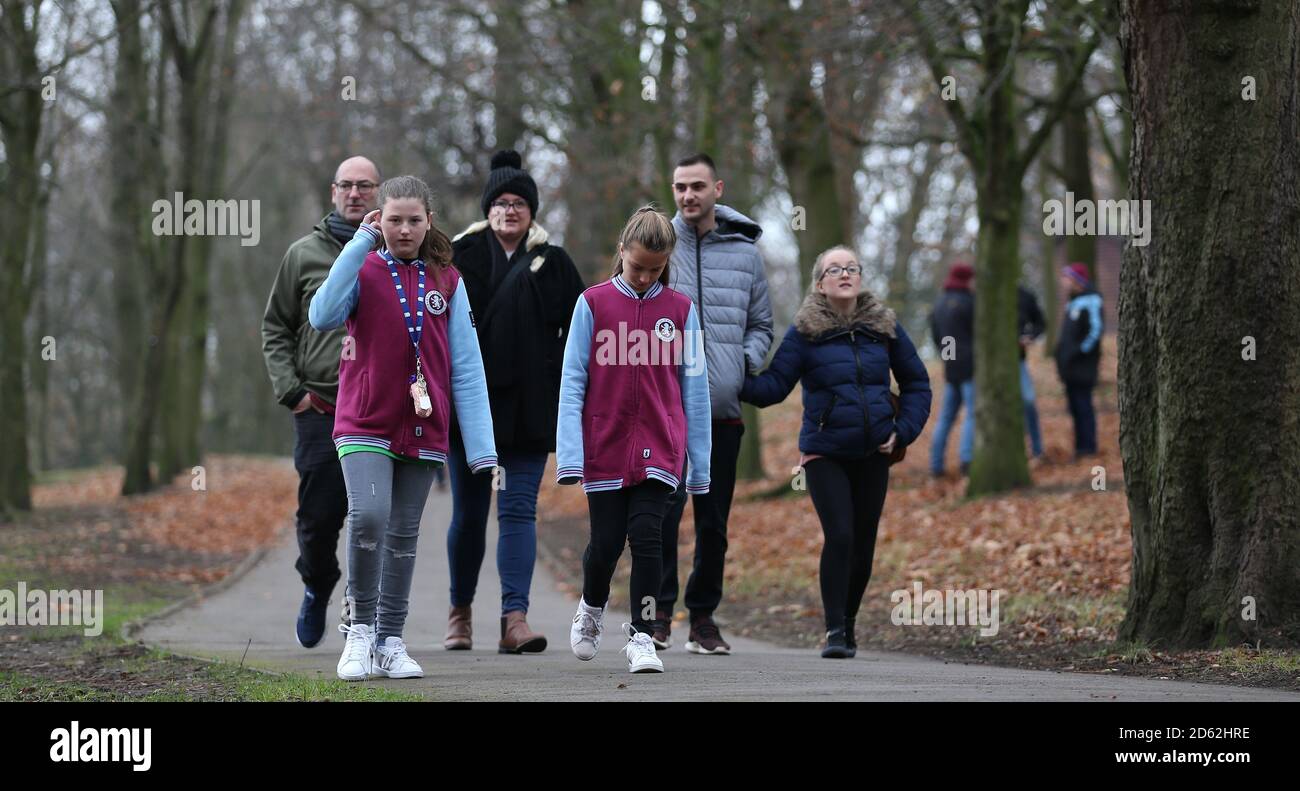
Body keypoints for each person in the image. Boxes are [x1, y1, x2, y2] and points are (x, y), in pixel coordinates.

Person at [309, 175, 496, 681]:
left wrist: (482, 448)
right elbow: (322, 314)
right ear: (379, 220)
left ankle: (391, 639)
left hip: (423, 427)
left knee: (404, 535)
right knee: (369, 517)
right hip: (363, 421)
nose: (405, 229)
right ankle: (359, 633)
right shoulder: (363, 268)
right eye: (394, 220)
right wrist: (359, 243)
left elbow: (467, 365)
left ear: (429, 221)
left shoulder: (448, 281)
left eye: (414, 220)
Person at [741, 246, 930, 658]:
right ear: (820, 283)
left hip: (875, 452)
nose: (844, 274)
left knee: (864, 543)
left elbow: (917, 384)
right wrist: (729, 377)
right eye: (834, 269)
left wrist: (903, 432)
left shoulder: (885, 327)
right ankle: (833, 633)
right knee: (840, 535)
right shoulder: (805, 332)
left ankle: (849, 623)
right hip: (824, 452)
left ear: (859, 278)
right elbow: (773, 387)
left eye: (851, 268)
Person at [557, 207, 712, 674]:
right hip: (604, 445)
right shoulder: (593, 303)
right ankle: (591, 607)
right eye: (637, 266)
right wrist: (570, 454)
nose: (645, 277)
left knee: (649, 539)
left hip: (661, 447)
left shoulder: (682, 311)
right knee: (605, 545)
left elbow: (696, 391)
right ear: (621, 251)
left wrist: (699, 465)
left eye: (655, 269)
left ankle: (642, 635)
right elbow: (572, 381)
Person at [443, 150, 585, 653]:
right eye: (500, 201)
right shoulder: (457, 258)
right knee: (467, 513)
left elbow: (580, 337)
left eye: (519, 202)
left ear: (532, 209)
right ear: (487, 207)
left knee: (520, 512)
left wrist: (567, 395)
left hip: (529, 411)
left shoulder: (556, 263)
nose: (509, 210)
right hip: (470, 411)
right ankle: (459, 614)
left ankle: (514, 619)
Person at [654, 153, 773, 655]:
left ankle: (703, 619)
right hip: (665, 410)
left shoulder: (747, 253)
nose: (688, 196)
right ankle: (656, 615)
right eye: (680, 187)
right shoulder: (659, 243)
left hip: (722, 411)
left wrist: (742, 364)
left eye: (697, 186)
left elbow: (762, 326)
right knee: (660, 516)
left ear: (718, 188)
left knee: (713, 522)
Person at [261, 155, 380, 648]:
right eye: (346, 186)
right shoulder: (303, 254)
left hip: (377, 411)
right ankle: (317, 584)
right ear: (333, 192)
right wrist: (292, 391)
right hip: (321, 409)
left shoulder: (392, 251)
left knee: (373, 519)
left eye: (365, 187)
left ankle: (364, 614)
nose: (355, 194)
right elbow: (276, 326)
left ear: (378, 193)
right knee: (318, 520)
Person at [928, 261, 975, 477]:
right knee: (971, 414)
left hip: (951, 367)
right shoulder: (970, 303)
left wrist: (949, 358)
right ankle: (967, 460)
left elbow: (938, 338)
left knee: (946, 417)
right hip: (971, 367)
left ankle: (936, 464)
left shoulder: (939, 304)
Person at [1055, 263, 1102, 458]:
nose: (1063, 282)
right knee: (1074, 407)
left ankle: (1088, 447)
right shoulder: (1072, 303)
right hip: (1070, 368)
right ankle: (1080, 446)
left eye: (1066, 278)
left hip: (1083, 367)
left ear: (1076, 280)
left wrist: (1079, 352)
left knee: (1084, 406)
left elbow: (1095, 331)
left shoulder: (1091, 301)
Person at [1017, 284, 1047, 461]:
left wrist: (1030, 336)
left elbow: (1041, 322)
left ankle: (1037, 449)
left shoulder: (1024, 295)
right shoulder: (984, 293)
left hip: (1018, 360)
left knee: (1028, 401)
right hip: (989, 367)